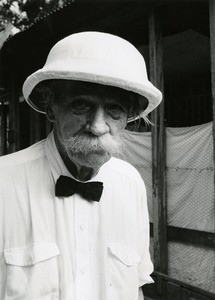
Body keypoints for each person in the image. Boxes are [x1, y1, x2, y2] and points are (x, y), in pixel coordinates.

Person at [0, 31, 162, 300]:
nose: (98, 127)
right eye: (80, 104)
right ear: (51, 108)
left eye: (114, 109)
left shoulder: (131, 184)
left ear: (128, 117)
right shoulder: (4, 182)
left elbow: (136, 287)